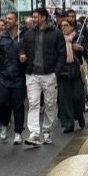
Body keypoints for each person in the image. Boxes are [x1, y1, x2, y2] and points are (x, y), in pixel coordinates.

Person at [19, 8, 64, 146]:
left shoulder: (56, 33)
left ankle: (47, 130)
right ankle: (34, 133)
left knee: (50, 104)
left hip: (49, 74)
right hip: (32, 74)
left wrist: (56, 72)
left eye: (36, 17)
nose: (33, 19)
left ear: (43, 18)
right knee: (33, 103)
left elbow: (61, 53)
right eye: (33, 17)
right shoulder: (28, 34)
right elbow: (22, 47)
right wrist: (22, 54)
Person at [0, 13, 26, 144]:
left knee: (18, 105)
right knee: (1, 103)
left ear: (17, 21)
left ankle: (18, 132)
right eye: (6, 19)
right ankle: (5, 123)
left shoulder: (24, 37)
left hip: (19, 77)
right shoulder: (1, 38)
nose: (7, 21)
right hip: (3, 77)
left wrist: (25, 56)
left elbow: (29, 51)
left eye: (10, 19)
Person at [56, 18, 87, 133]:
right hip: (63, 72)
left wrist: (81, 49)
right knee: (65, 99)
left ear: (72, 26)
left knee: (77, 97)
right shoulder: (58, 40)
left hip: (76, 71)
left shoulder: (80, 38)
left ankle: (79, 114)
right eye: (62, 25)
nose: (63, 27)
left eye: (66, 25)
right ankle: (69, 124)